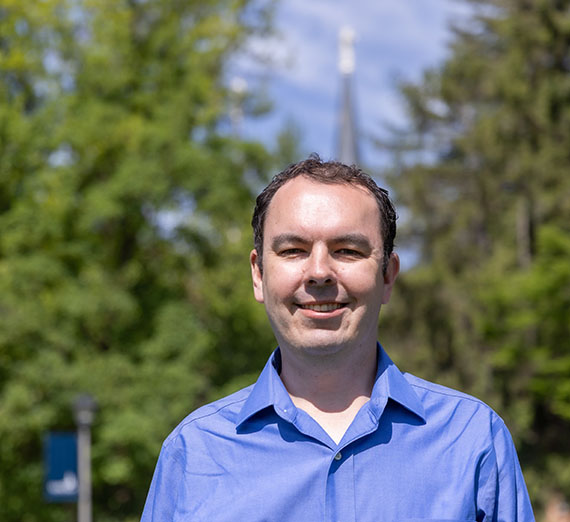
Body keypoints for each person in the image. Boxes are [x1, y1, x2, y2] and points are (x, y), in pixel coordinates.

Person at [141, 156, 535, 521]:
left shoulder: (473, 442)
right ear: (259, 274)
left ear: (387, 276)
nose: (319, 273)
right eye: (293, 250)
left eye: (347, 250)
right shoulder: (194, 453)